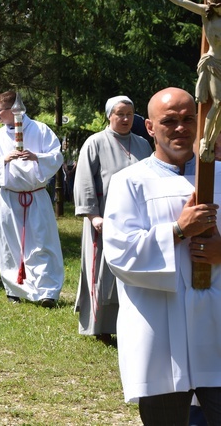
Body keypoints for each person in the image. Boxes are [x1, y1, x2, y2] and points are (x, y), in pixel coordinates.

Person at [103, 87, 221, 423]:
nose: (181, 127)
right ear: (151, 128)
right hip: (161, 330)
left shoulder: (220, 176)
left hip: (216, 327)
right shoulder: (131, 182)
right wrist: (177, 230)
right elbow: (120, 253)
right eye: (169, 121)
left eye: (188, 119)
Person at [73, 96, 152, 343]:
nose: (126, 119)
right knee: (101, 273)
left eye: (130, 114)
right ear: (109, 115)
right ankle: (100, 326)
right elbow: (85, 181)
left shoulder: (143, 144)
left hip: (136, 221)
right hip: (104, 220)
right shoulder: (95, 143)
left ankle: (130, 323)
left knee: (132, 271)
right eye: (120, 114)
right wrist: (93, 215)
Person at [0, 91, 64, 307]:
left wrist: (37, 157)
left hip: (35, 196)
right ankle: (14, 288)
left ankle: (47, 291)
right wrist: (4, 160)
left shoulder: (40, 130)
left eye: (0, 110)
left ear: (12, 110)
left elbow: (56, 156)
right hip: (9, 197)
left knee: (41, 242)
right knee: (10, 244)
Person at [146, 0, 221, 162]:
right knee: (219, 103)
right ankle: (207, 141)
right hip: (214, 63)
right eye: (217, 6)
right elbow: (181, 1)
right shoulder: (206, 13)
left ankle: (211, 142)